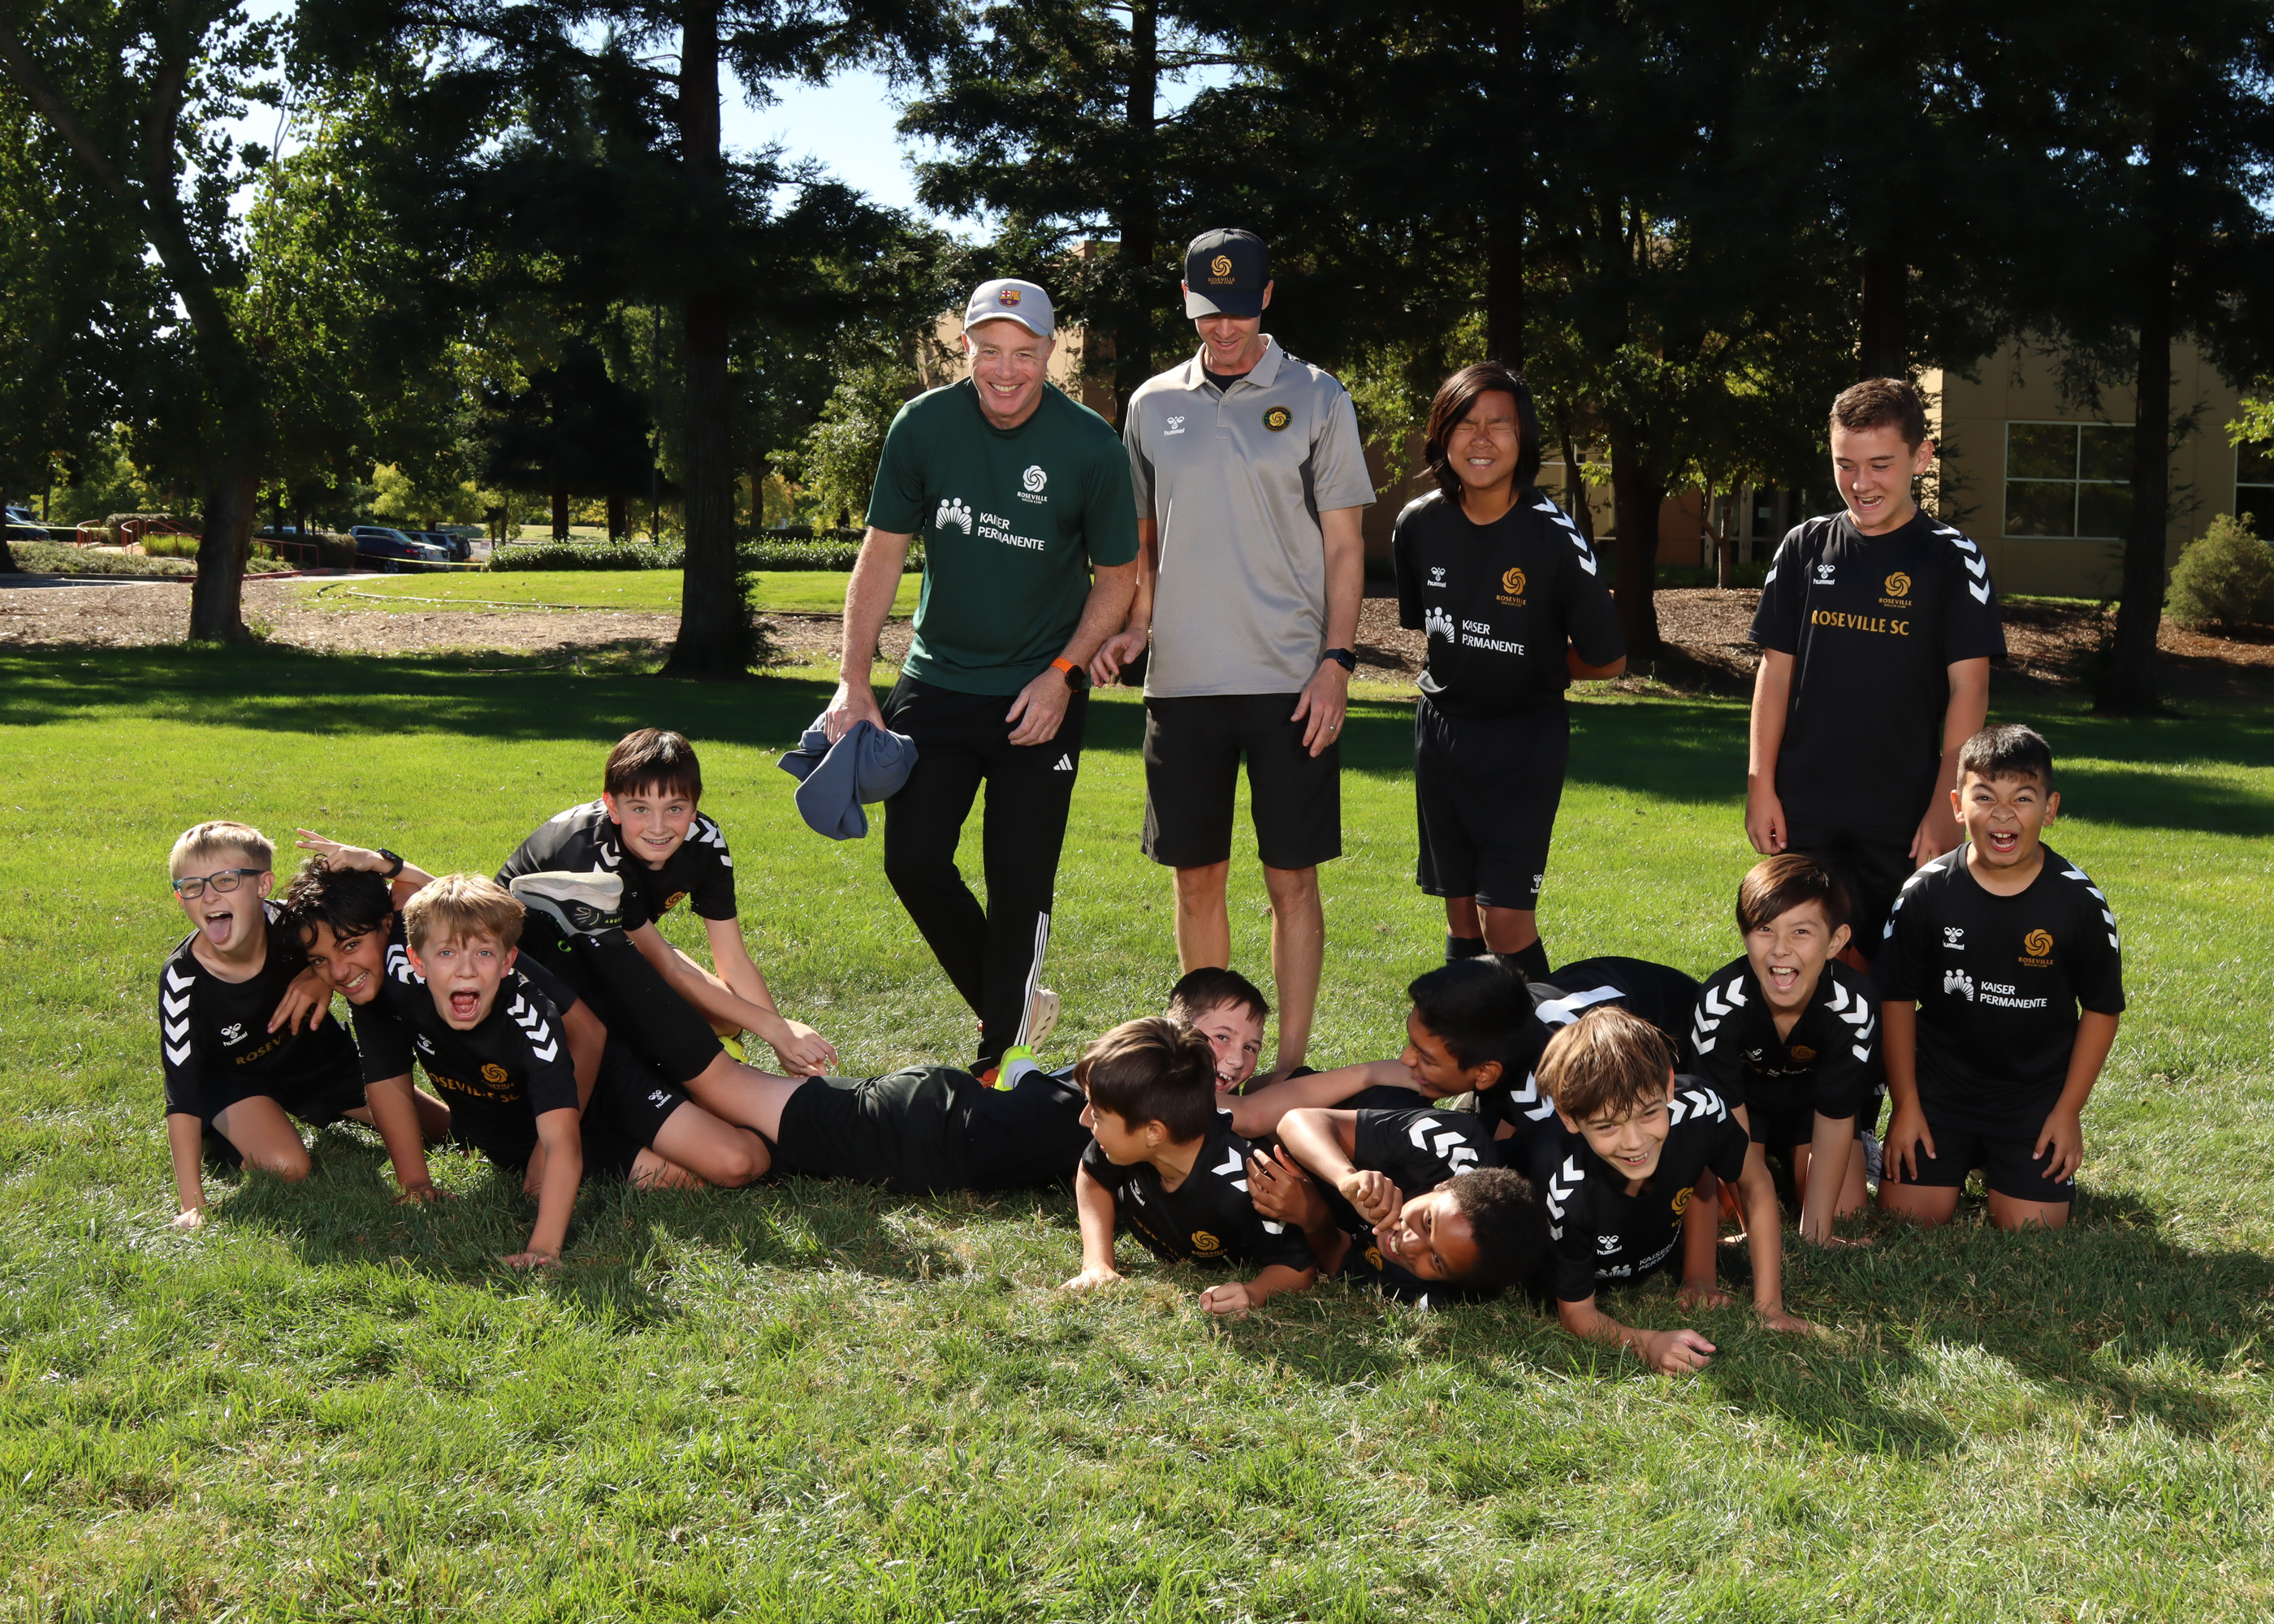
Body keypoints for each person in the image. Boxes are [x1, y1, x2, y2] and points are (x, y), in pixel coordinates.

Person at [824, 278, 1140, 1077]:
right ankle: (1014, 1003)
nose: (1005, 370)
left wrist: (1063, 674)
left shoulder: (1091, 446)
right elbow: (882, 553)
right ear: (965, 347)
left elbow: (1117, 577)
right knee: (913, 861)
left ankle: (1005, 1058)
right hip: (936, 680)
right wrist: (854, 680)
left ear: (1050, 353)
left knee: (1019, 880)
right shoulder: (923, 425)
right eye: (989, 350)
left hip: (1041, 690)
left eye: (1024, 354)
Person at [1100, 228, 1377, 1077]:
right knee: (1196, 879)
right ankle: (1203, 1067)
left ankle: (1288, 1066)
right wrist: (1138, 624)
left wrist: (1336, 661)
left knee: (1292, 880)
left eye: (1236, 308)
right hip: (1182, 683)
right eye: (1204, 310)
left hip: (1291, 681)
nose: (1221, 327)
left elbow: (1345, 545)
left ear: (1265, 298)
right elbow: (1141, 542)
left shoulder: (1319, 396)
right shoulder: (1151, 404)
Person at [298, 872, 768, 1267]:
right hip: (532, 1118)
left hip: (596, 1078)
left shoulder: (503, 983)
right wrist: (416, 1184)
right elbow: (386, 1080)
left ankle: (741, 1107)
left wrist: (549, 1151)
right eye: (320, 962)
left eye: (350, 947)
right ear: (421, 961)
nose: (339, 972)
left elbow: (588, 1034)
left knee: (736, 1165)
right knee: (683, 1182)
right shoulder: (382, 983)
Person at [1745, 377, 2007, 964]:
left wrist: (1946, 803)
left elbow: (1970, 688)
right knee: (1806, 956)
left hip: (1903, 811)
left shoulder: (1951, 558)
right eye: (1845, 465)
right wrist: (1761, 784)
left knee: (1898, 971)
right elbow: (1775, 674)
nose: (1861, 484)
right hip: (1805, 806)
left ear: (1922, 457)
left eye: (1881, 465)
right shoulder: (1803, 547)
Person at [1391, 363, 1626, 979]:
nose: (1482, 439)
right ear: (1441, 435)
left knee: (1505, 920)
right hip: (1442, 736)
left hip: (1523, 741)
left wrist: (1532, 665)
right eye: (1465, 423)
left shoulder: (1554, 536)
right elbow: (1434, 633)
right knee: (1461, 916)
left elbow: (1609, 659)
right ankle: (1472, 1039)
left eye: (1500, 425)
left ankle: (1544, 1037)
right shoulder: (1417, 523)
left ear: (1524, 439)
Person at [1874, 725, 2123, 1230]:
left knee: (2031, 1227)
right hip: (1941, 1091)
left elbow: (2102, 1009)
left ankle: (2004, 1159)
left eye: (2023, 798)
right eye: (1984, 796)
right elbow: (1896, 1000)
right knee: (1909, 1217)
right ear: (1957, 805)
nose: (2003, 814)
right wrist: (1907, 1106)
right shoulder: (1925, 894)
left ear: (2050, 809)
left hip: (2032, 1097)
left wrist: (2067, 1111)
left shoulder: (2079, 902)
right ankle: (1960, 1151)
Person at [497, 728, 836, 1085]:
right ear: (612, 806)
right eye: (640, 809)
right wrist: (777, 1030)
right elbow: (667, 966)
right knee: (641, 1031)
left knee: (726, 1018)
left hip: (615, 947)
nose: (658, 827)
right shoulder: (594, 854)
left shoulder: (705, 841)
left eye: (674, 808)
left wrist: (783, 1037)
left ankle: (706, 1058)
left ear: (694, 808)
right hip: (528, 963)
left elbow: (733, 961)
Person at [156, 821, 447, 1231]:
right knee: (289, 1166)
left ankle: (322, 1107)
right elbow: (181, 1089)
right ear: (179, 897)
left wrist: (318, 975)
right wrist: (192, 1203)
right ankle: (224, 1136)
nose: (209, 896)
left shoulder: (292, 925)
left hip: (317, 1061)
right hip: (239, 1081)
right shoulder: (182, 978)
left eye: (225, 880)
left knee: (446, 1130)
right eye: (192, 886)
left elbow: (407, 907)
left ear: (263, 885)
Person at [1523, 1006, 1811, 1373]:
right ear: (1569, 1117)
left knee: (1692, 1146)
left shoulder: (1700, 1108)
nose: (1634, 1142)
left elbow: (1755, 1184)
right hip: (1588, 1260)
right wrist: (1647, 1343)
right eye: (1607, 1126)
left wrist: (1769, 1306)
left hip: (1655, 1236)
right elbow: (1577, 1313)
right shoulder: (1562, 1184)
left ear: (1669, 1085)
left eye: (1648, 1113)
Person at [1060, 1018, 1317, 1318]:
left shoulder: (1244, 1185)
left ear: (1153, 1133)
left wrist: (1253, 1292)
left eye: (1097, 1115)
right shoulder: (1128, 1140)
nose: (1083, 1120)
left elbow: (1298, 1266)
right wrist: (1097, 1263)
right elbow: (1092, 1174)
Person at [1687, 853, 1882, 1241]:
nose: (1780, 949)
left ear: (1835, 941)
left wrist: (1817, 1234)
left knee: (1844, 1208)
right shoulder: (1717, 1006)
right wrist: (1753, 1226)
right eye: (1765, 929)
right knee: (1722, 1209)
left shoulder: (1854, 1006)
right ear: (1744, 933)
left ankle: (1795, 1170)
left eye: (1801, 932)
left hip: (1812, 1108)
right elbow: (1730, 1118)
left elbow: (1835, 1115)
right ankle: (1768, 1174)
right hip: (1746, 1109)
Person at [1261, 1105, 1550, 1308]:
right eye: (1428, 1222)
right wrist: (1345, 1178)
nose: (1409, 1246)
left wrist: (1314, 1218)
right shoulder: (1450, 1144)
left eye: (1436, 1261)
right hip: (1357, 1109)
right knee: (1261, 1102)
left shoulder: (1427, 1289)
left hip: (1310, 1202)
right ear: (1446, 1185)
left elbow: (1340, 1259)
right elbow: (1295, 1120)